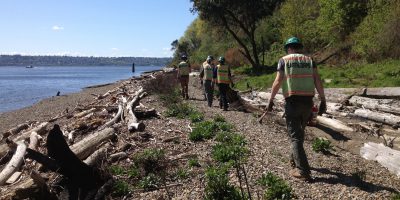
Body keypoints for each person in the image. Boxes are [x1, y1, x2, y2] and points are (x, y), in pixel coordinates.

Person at [267, 37, 327, 181]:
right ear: (299, 47)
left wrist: (270, 100)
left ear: (288, 48)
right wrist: (323, 99)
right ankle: (295, 161)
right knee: (299, 134)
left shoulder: (284, 60)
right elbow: (317, 79)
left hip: (293, 102)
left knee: (295, 137)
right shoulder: (310, 60)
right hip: (307, 103)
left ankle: (303, 171)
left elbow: (278, 80)